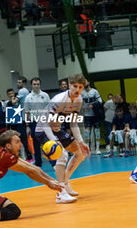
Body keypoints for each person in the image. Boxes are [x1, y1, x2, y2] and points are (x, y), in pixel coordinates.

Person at [0, 130, 63, 226]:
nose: (21, 144)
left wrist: (54, 181)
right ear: (8, 146)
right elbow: (29, 171)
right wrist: (48, 183)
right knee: (13, 211)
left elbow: (33, 168)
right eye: (17, 142)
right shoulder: (4, 157)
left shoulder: (0, 151)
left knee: (1, 205)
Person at [35, 74, 90, 203]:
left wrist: (81, 142)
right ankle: (60, 194)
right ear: (69, 86)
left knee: (80, 153)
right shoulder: (59, 99)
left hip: (56, 129)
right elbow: (44, 121)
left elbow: (73, 123)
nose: (77, 89)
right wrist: (54, 142)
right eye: (75, 86)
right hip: (43, 129)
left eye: (80, 87)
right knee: (62, 154)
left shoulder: (78, 100)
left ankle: (64, 183)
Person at [24, 77, 52, 167]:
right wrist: (27, 126)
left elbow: (50, 109)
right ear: (31, 85)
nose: (36, 86)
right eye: (34, 84)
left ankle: (53, 163)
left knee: (48, 143)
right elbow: (26, 112)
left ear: (40, 85)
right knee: (36, 145)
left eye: (38, 84)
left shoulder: (45, 95)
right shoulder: (28, 97)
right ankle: (38, 164)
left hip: (45, 122)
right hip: (33, 123)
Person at [5, 88, 34, 163]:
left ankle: (29, 157)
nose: (11, 95)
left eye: (12, 93)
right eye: (9, 94)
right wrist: (8, 128)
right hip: (14, 126)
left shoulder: (20, 102)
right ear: (8, 95)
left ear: (14, 94)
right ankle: (16, 157)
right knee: (15, 142)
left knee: (24, 141)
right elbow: (9, 116)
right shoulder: (8, 104)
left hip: (22, 124)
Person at [81, 80, 103, 154]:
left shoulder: (94, 91)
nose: (85, 84)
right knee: (87, 132)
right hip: (87, 115)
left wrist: (93, 105)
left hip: (95, 114)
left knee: (97, 131)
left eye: (85, 82)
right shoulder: (82, 93)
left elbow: (100, 101)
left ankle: (97, 148)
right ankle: (88, 149)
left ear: (89, 82)